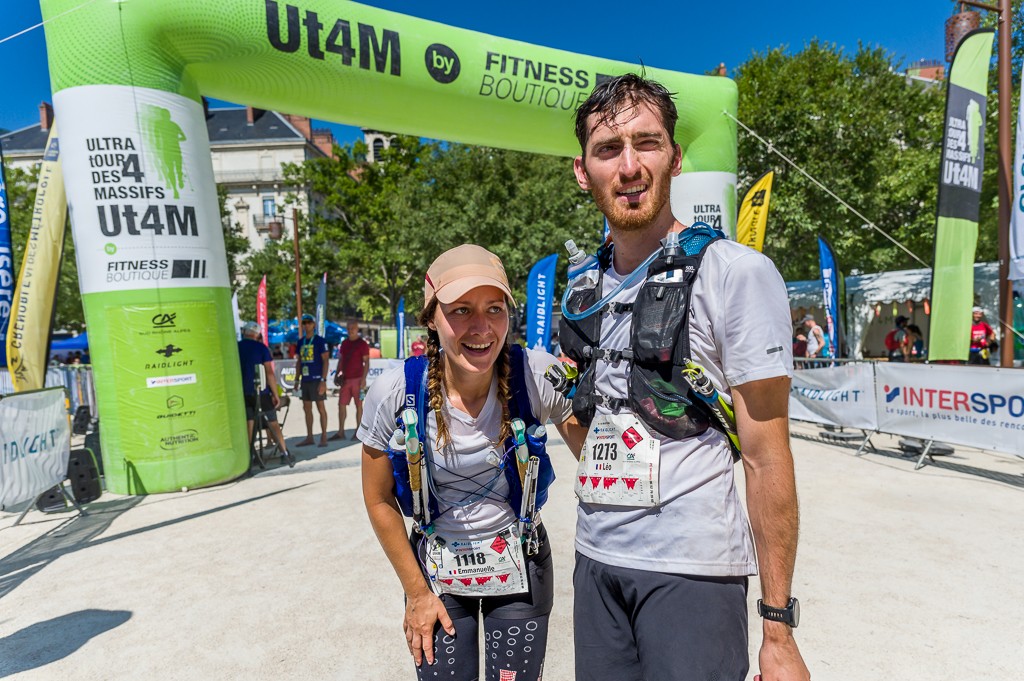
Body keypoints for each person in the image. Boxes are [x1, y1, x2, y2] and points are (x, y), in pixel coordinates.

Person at [562, 73, 808, 681]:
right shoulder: (581, 291)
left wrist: (777, 629)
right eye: (607, 149)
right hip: (595, 561)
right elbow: (586, 426)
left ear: (674, 157)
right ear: (582, 169)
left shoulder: (736, 273)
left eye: (646, 143)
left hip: (692, 572)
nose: (628, 166)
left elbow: (767, 457)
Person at [359, 245, 580, 681]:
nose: (481, 328)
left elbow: (596, 458)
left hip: (519, 566)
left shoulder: (534, 374)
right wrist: (416, 594)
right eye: (460, 310)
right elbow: (378, 499)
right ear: (431, 319)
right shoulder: (395, 391)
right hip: (435, 575)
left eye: (494, 309)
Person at [238, 322, 294, 467]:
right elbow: (269, 372)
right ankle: (284, 452)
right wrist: (275, 394)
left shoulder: (236, 347)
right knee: (273, 422)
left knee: (249, 423)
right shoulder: (261, 348)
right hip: (261, 391)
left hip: (243, 392)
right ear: (257, 334)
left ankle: (250, 456)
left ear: (245, 332)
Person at [331, 320, 370, 440]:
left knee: (359, 406)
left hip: (358, 379)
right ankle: (341, 432)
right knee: (341, 405)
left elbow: (366, 362)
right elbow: (341, 359)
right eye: (349, 328)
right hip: (346, 380)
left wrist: (364, 379)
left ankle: (358, 431)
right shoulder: (345, 343)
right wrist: (337, 373)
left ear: (357, 329)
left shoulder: (362, 343)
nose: (350, 330)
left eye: (353, 328)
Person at [296, 313, 330, 447]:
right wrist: (296, 380)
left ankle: (324, 436)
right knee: (306, 408)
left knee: (320, 407)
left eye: (308, 322)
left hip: (317, 379)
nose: (306, 325)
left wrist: (323, 380)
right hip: (305, 379)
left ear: (314, 324)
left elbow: (326, 360)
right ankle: (309, 437)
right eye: (304, 323)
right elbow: (299, 361)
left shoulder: (320, 341)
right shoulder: (300, 341)